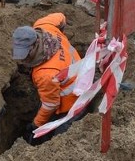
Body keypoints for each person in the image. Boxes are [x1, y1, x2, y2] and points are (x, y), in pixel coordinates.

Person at [11, 13, 83, 145]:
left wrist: (35, 125)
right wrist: (61, 32)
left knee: (59, 141)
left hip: (74, 101)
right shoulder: (44, 26)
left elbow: (51, 104)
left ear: (35, 45)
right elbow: (61, 16)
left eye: (25, 55)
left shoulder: (46, 73)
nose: (22, 60)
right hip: (80, 73)